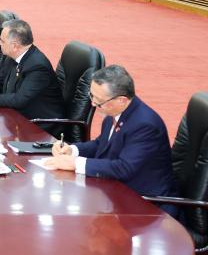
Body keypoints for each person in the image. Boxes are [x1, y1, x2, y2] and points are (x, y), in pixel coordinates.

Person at [45, 65, 179, 216]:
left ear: (122, 100)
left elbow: (124, 168)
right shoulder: (114, 112)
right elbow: (101, 144)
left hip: (147, 205)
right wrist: (72, 150)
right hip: (117, 191)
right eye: (92, 96)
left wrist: (75, 163)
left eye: (99, 101)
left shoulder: (144, 125)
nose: (93, 104)